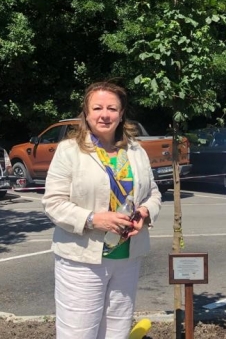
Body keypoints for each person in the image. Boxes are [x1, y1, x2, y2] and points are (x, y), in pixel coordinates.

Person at [42, 82, 162, 339]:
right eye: (97, 108)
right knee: (78, 332)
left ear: (121, 114)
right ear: (86, 113)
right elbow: (53, 203)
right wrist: (93, 219)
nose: (104, 114)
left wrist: (145, 212)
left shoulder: (135, 151)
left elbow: (153, 193)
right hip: (82, 261)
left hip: (127, 257)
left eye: (112, 108)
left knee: (117, 331)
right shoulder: (69, 151)